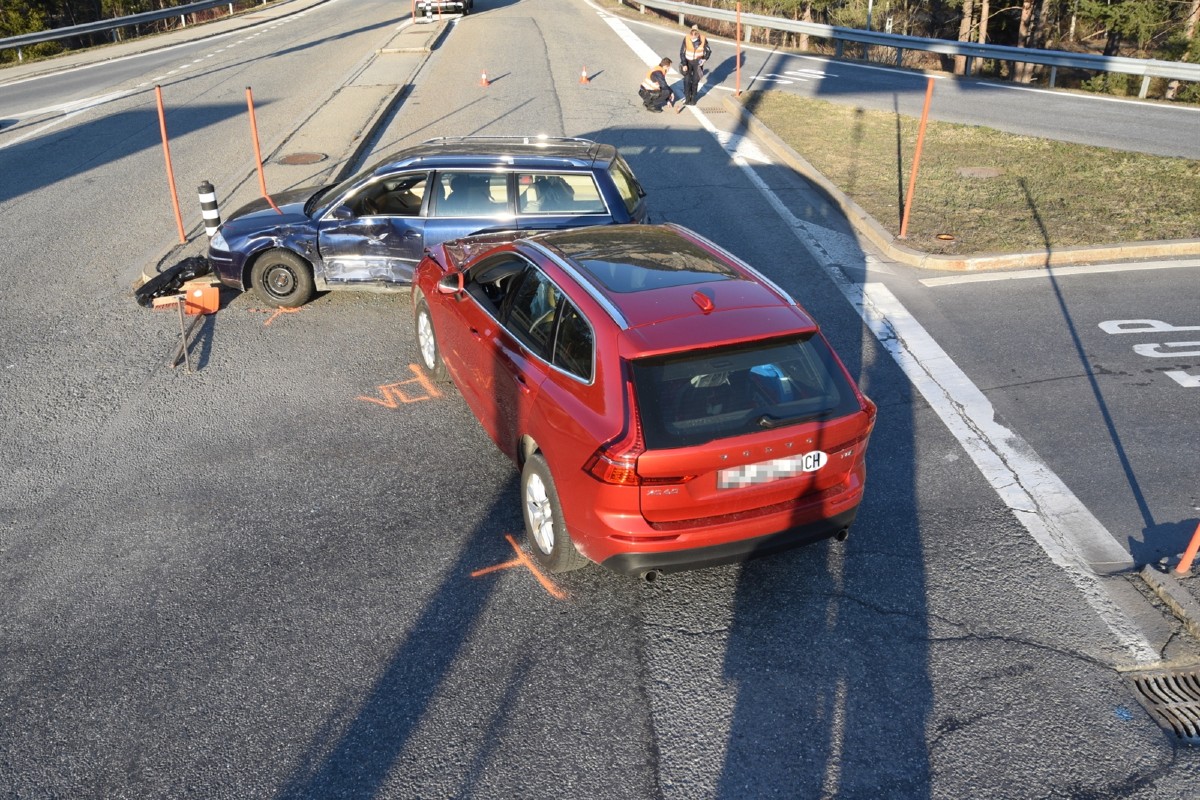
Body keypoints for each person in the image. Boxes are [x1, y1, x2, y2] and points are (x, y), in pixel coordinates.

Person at [679, 24, 712, 106]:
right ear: (690, 32)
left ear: (698, 33)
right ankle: (687, 99)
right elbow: (682, 52)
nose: (693, 36)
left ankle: (693, 99)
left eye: (695, 34)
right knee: (686, 80)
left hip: (698, 63)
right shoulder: (686, 38)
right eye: (691, 34)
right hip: (688, 62)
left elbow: (708, 51)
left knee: (695, 81)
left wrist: (704, 59)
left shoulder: (703, 39)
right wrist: (684, 64)